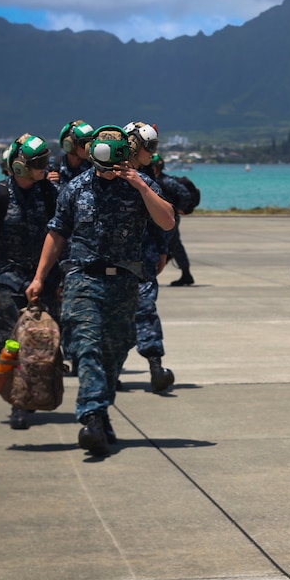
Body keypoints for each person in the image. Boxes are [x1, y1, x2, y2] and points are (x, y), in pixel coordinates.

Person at [27, 125, 175, 456]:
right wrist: (39, 278)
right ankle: (91, 417)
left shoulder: (140, 184)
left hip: (123, 282)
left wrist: (139, 184)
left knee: (115, 350)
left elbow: (167, 221)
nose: (109, 168)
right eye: (102, 161)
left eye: (115, 160)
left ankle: (101, 409)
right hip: (83, 279)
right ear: (92, 156)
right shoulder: (75, 189)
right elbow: (57, 233)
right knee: (86, 344)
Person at [0, 134, 60, 429]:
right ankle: (17, 401)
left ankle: (36, 395)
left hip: (41, 282)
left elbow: (62, 237)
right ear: (19, 167)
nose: (44, 168)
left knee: (42, 343)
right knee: (10, 343)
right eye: (38, 164)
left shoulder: (50, 194)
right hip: (6, 283)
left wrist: (60, 278)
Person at [121, 122, 175, 392]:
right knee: (111, 318)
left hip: (142, 261)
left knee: (146, 311)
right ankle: (111, 371)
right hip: (109, 264)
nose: (153, 153)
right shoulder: (100, 179)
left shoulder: (148, 183)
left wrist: (163, 250)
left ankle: (155, 366)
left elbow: (161, 222)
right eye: (149, 147)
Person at [149, 154, 197, 287]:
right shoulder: (154, 180)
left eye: (153, 166)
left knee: (162, 244)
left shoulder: (166, 181)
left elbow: (184, 194)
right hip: (166, 218)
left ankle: (153, 271)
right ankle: (186, 274)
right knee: (176, 246)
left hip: (169, 219)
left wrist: (180, 209)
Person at [47, 119, 94, 187]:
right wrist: (46, 183)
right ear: (71, 145)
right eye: (84, 143)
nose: (88, 147)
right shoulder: (52, 165)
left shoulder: (93, 168)